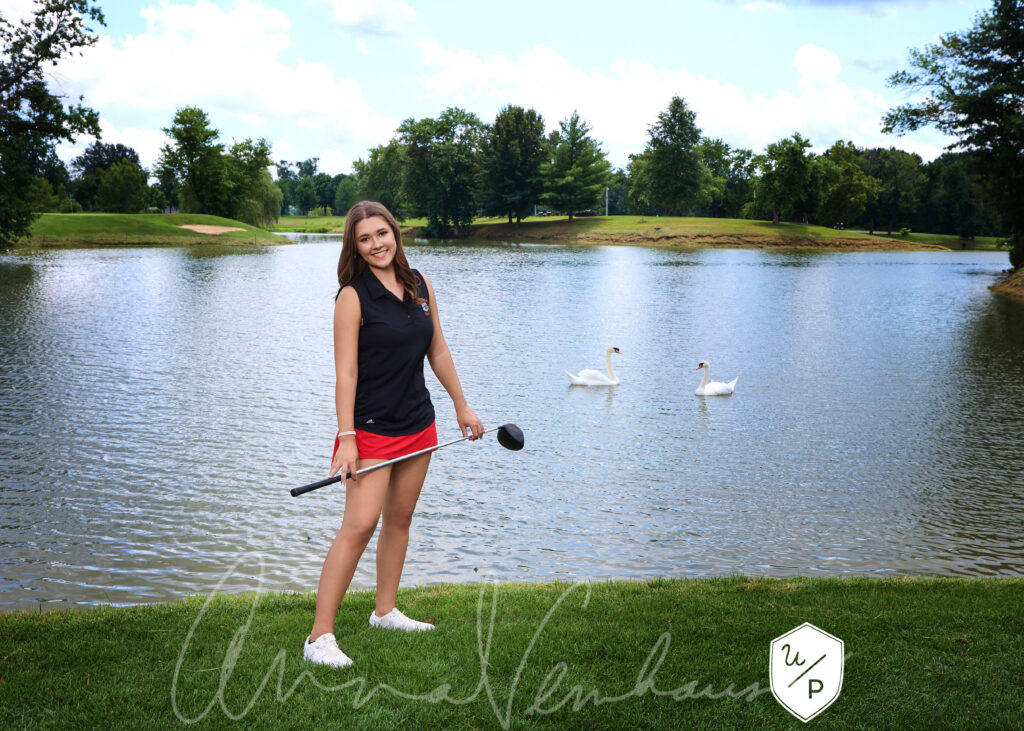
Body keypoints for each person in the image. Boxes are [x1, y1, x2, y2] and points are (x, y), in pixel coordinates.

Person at [304, 200, 483, 668]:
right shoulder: (352, 296)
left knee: (399, 519)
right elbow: (345, 373)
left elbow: (437, 349)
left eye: (381, 233)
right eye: (364, 239)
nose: (376, 244)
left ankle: (385, 611)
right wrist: (347, 438)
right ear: (355, 246)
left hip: (419, 423)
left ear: (395, 233)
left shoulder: (419, 283)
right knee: (359, 526)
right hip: (371, 431)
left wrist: (460, 404)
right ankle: (318, 637)